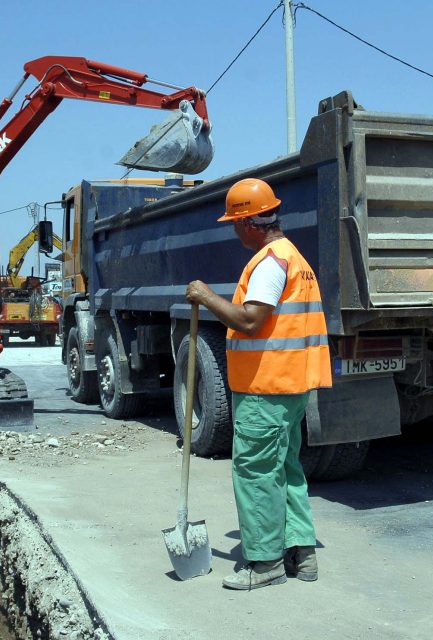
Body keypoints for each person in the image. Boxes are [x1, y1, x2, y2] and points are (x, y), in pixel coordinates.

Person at [185, 177, 332, 591]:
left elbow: (250, 320)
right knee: (285, 469)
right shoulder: (294, 259)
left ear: (250, 221)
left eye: (235, 222)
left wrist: (205, 296)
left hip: (265, 389)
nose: (233, 230)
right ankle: (302, 556)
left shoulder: (270, 262)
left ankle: (265, 562)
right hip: (291, 386)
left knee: (256, 473)